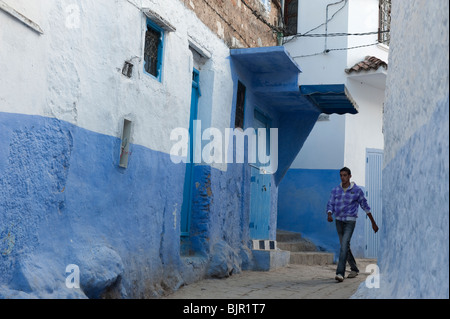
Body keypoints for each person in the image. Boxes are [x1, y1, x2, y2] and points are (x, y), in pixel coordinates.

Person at [326, 167, 379, 282]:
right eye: (341, 175)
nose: (343, 177)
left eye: (345, 175)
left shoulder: (357, 191)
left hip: (350, 221)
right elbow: (330, 203)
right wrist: (330, 214)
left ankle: (340, 273)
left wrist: (373, 223)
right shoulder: (335, 190)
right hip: (338, 221)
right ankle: (354, 268)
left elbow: (365, 206)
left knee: (344, 245)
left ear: (350, 176)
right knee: (345, 246)